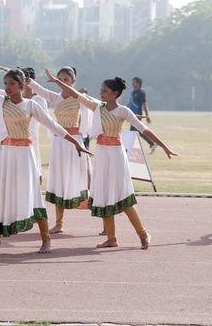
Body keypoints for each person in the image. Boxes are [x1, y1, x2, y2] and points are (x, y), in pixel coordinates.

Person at [0, 68, 89, 254]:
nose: (7, 87)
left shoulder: (31, 105)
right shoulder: (1, 101)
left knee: (33, 194)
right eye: (5, 84)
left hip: (26, 155)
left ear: (21, 85)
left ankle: (46, 239)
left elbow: (53, 125)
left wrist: (75, 142)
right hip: (6, 154)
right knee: (1, 195)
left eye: (11, 83)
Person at [46, 71, 177, 249]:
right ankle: (111, 238)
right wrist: (55, 81)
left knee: (123, 196)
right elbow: (76, 94)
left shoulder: (123, 111)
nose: (101, 93)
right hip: (102, 154)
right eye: (101, 90)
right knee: (102, 194)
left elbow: (143, 129)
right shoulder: (97, 107)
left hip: (115, 155)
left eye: (105, 91)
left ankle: (143, 233)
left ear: (115, 93)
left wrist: (164, 146)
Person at [26, 65, 90, 234]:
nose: (62, 83)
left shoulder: (79, 98)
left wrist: (83, 136)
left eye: (66, 80)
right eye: (60, 80)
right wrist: (23, 77)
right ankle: (59, 223)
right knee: (59, 180)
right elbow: (38, 89)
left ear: (73, 81)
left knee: (81, 180)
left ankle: (106, 224)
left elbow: (90, 119)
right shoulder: (55, 98)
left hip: (75, 141)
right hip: (59, 143)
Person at [128, 77, 156, 153]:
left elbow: (144, 104)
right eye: (132, 82)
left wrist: (147, 116)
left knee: (132, 131)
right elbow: (130, 103)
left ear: (138, 83)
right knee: (138, 131)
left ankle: (129, 149)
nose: (132, 84)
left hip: (138, 114)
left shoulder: (141, 92)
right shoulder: (133, 92)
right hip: (132, 114)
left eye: (134, 82)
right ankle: (152, 143)